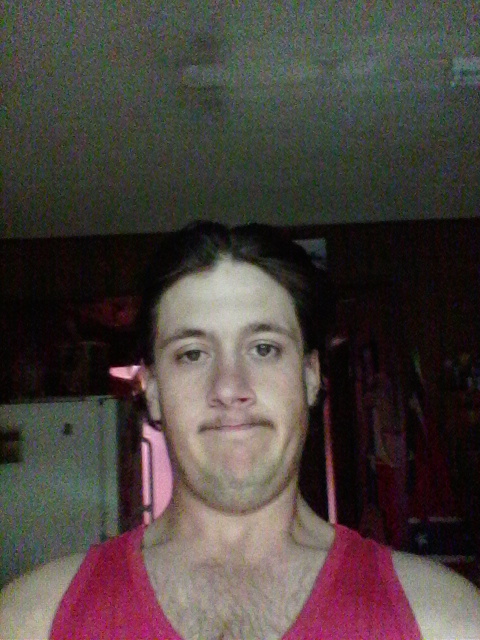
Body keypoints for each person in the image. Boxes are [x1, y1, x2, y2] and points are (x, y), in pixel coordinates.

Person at [1, 221, 479, 640]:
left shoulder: (447, 622)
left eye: (264, 348)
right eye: (193, 354)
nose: (230, 388)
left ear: (311, 375)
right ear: (152, 390)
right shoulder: (29, 622)